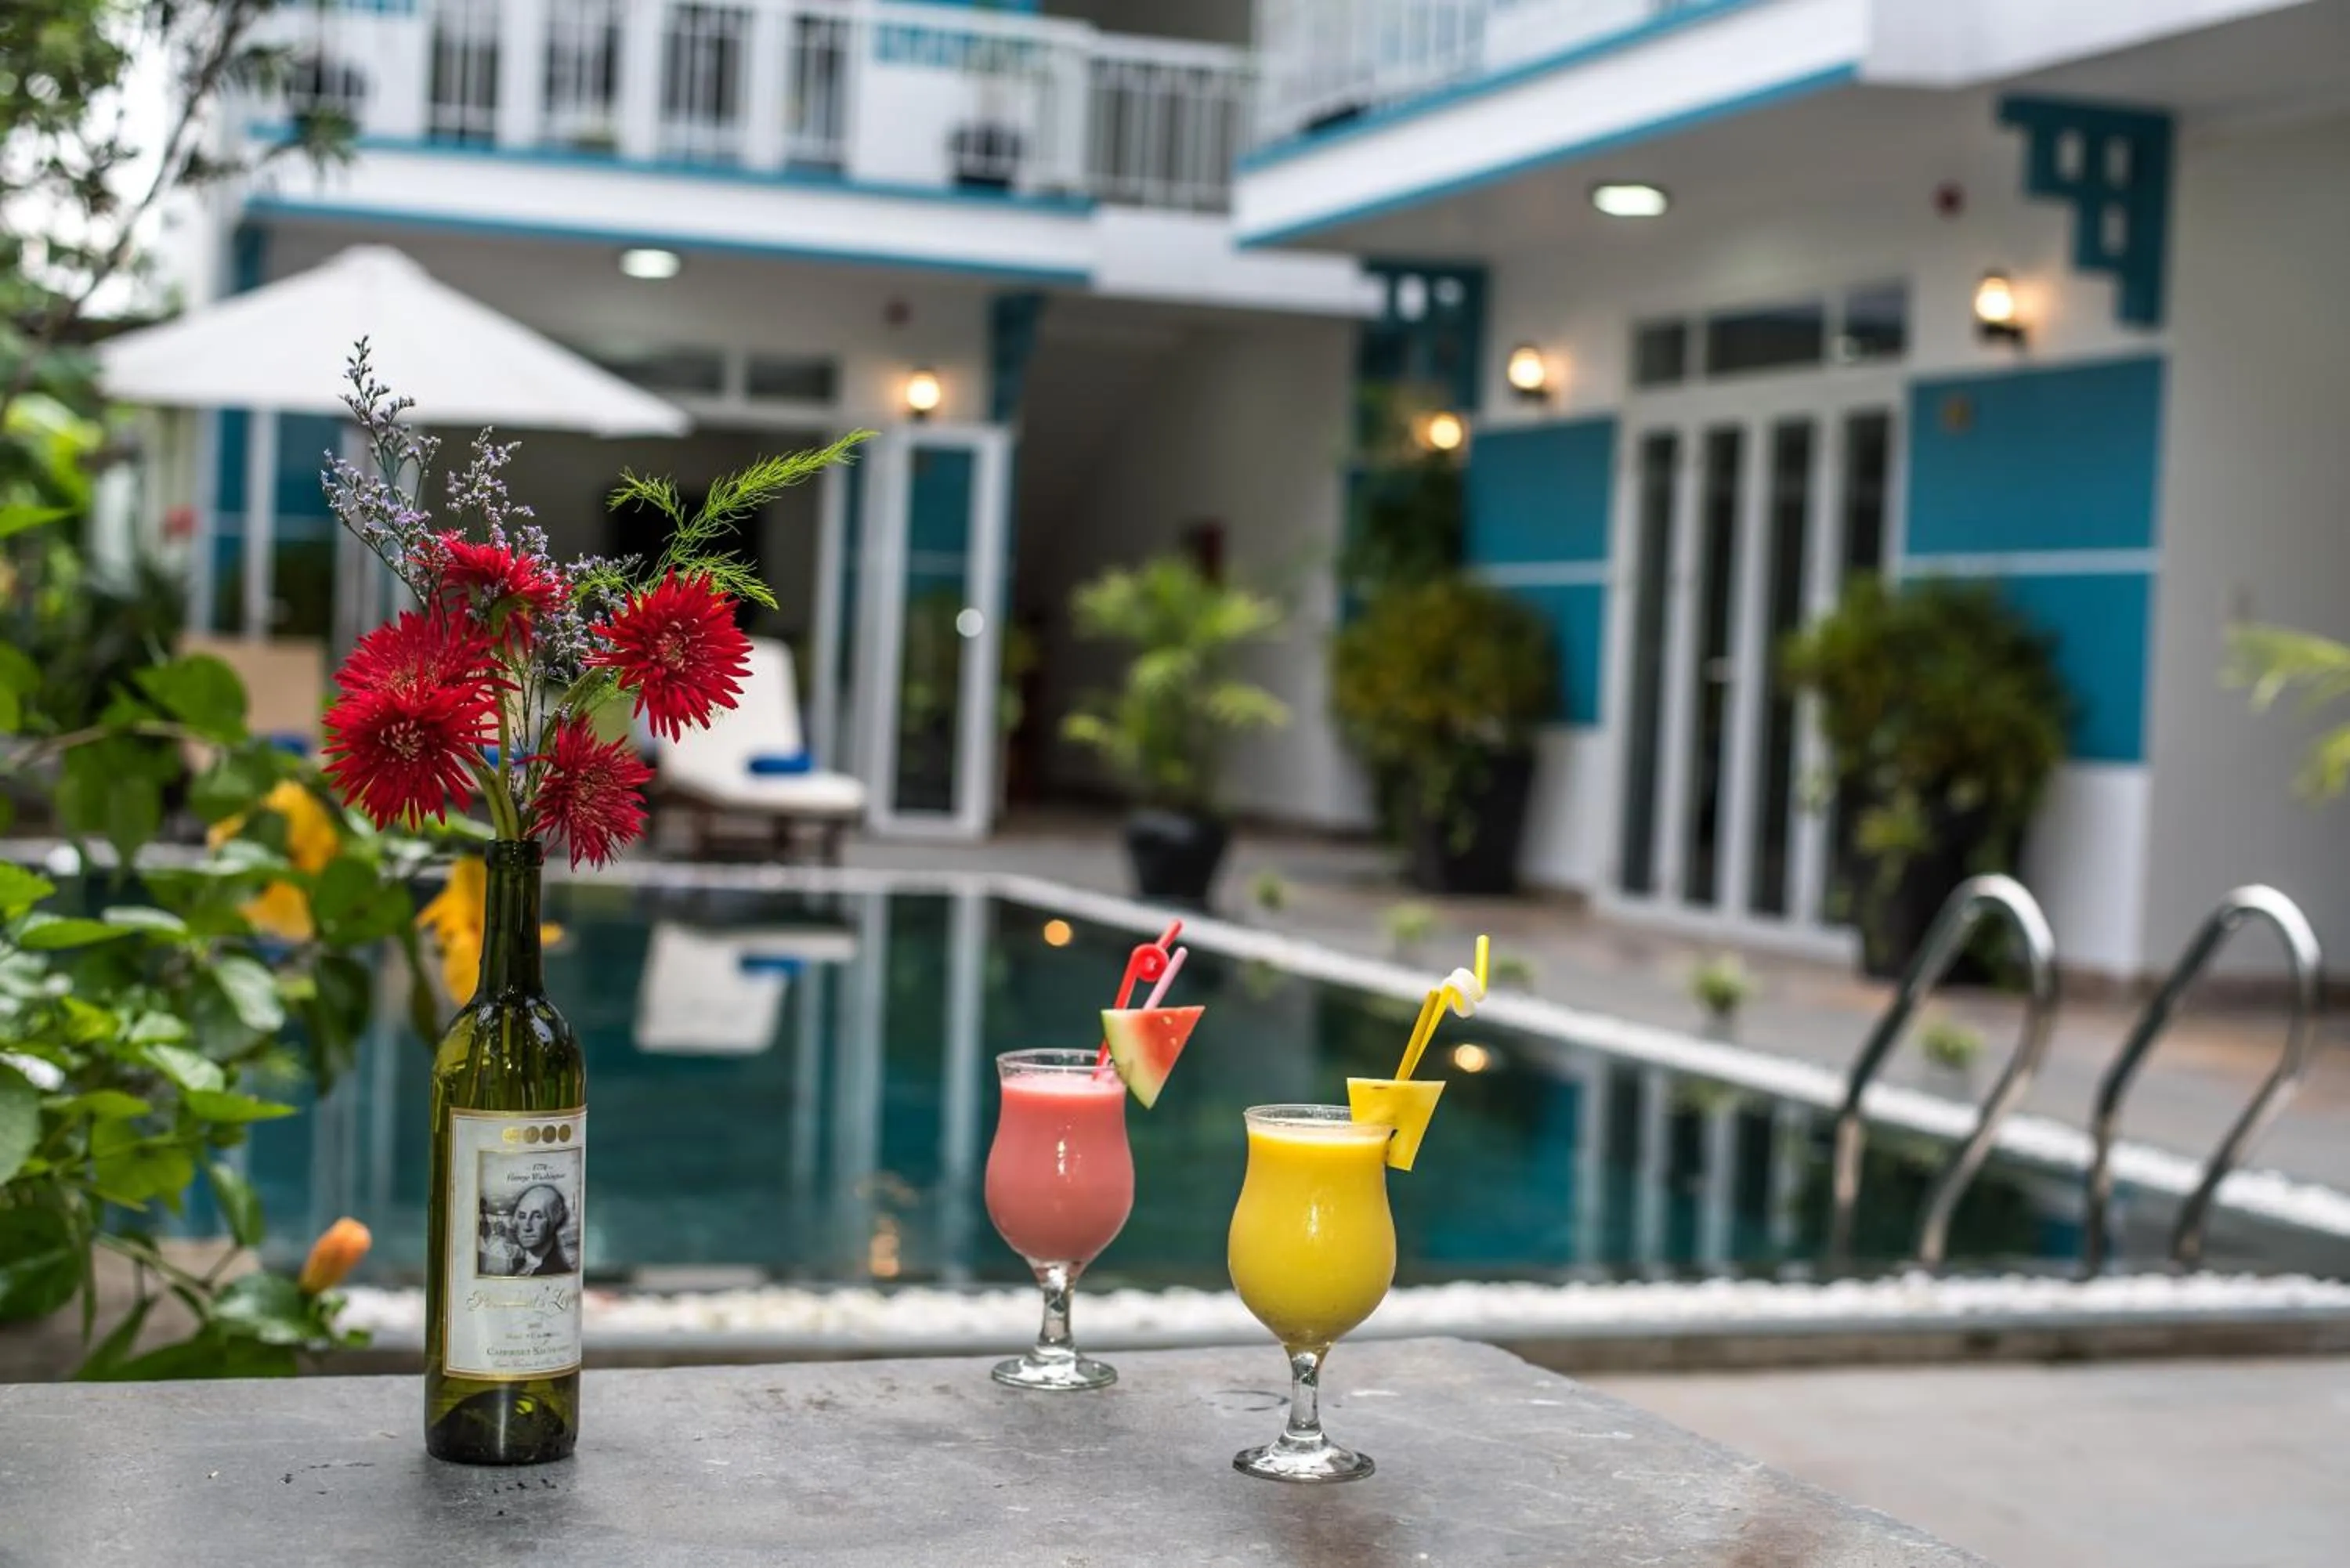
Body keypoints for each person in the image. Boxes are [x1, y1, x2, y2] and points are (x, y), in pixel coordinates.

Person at [510, 1184, 574, 1276]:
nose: (527, 1227)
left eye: (538, 1217)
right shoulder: (516, 1265)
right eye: (522, 1216)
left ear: (555, 1221)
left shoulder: (557, 1271)